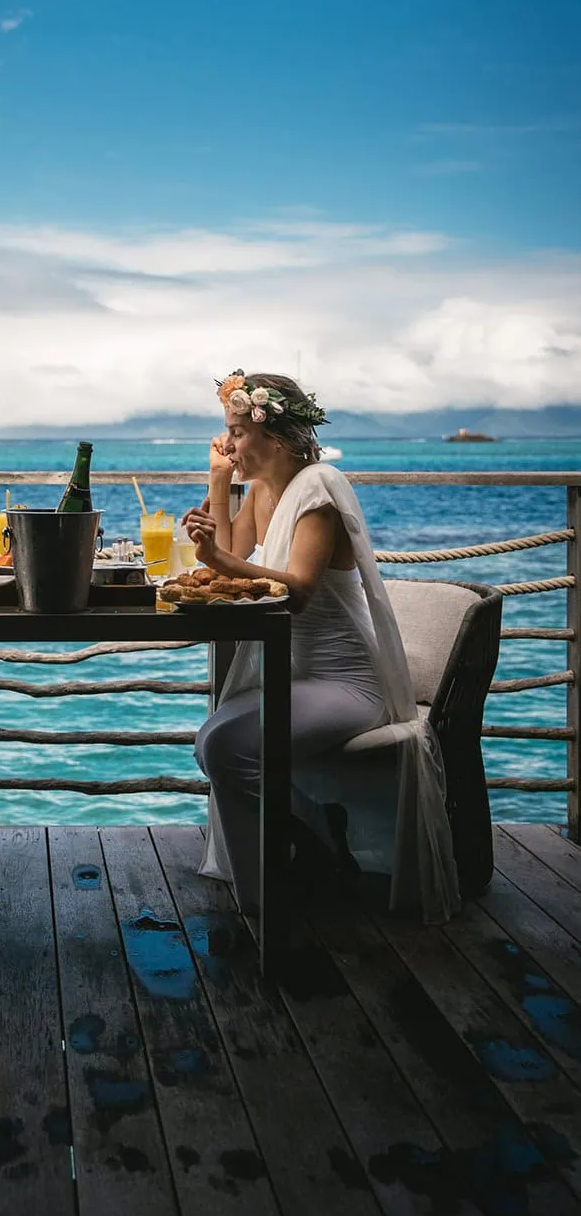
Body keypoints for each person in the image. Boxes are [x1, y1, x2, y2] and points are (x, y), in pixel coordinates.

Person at [186, 369, 459, 923]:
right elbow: (233, 549)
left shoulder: (319, 489)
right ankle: (295, 857)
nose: (229, 444)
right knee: (210, 737)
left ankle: (294, 871)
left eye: (236, 432)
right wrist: (219, 485)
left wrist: (216, 561)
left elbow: (300, 590)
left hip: (348, 683)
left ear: (274, 432)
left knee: (225, 748)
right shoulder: (263, 489)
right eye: (227, 432)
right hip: (295, 676)